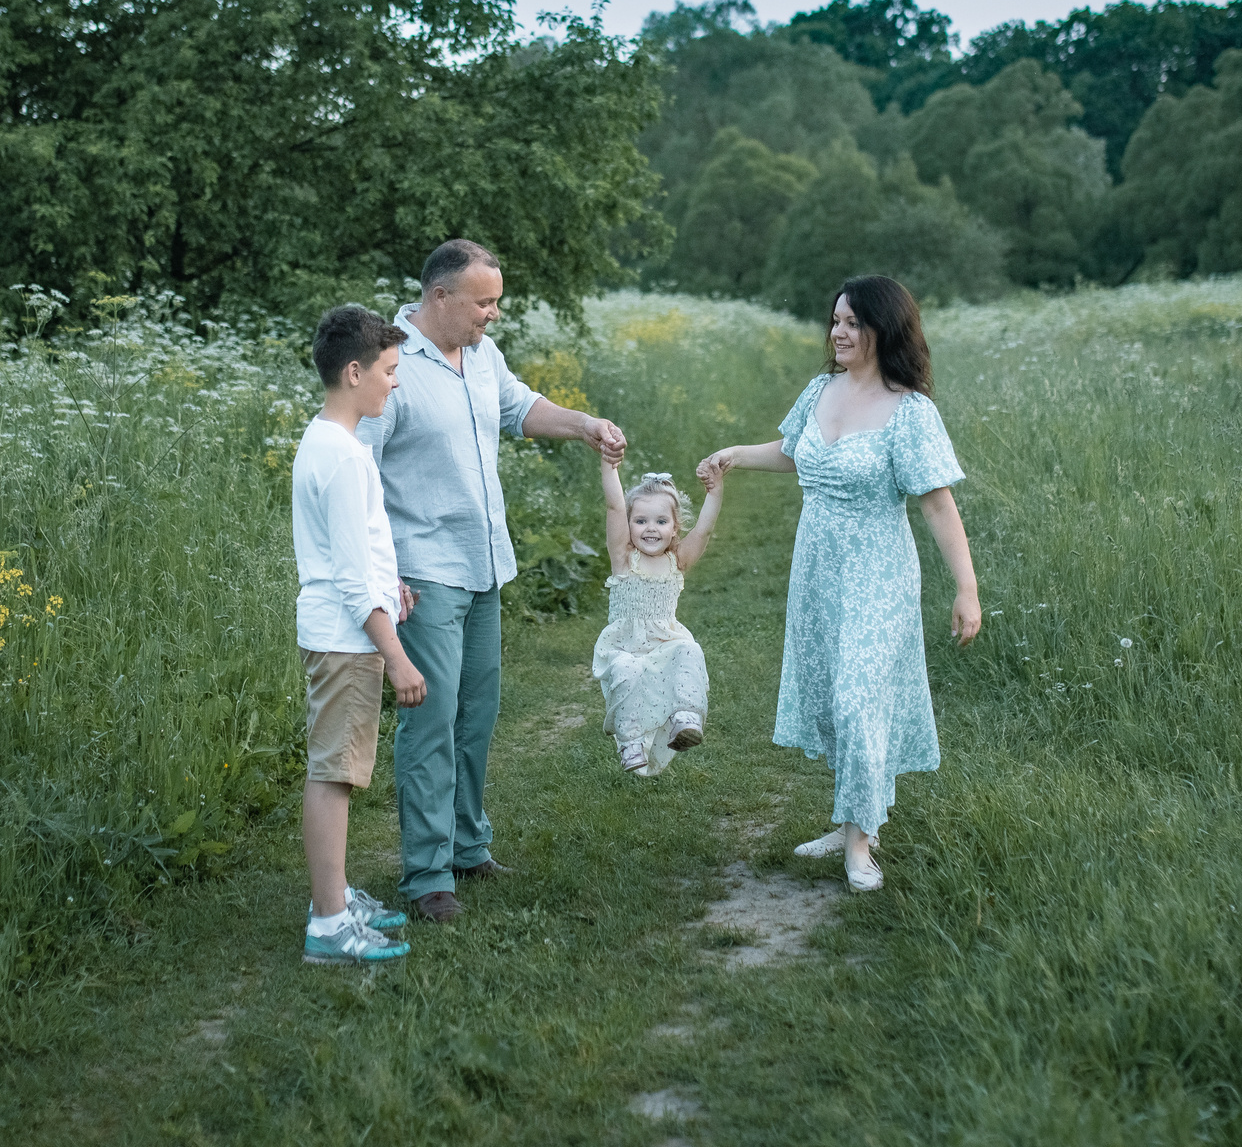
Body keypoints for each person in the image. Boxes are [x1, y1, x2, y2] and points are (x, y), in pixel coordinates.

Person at [360, 239, 628, 922]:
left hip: (485, 565)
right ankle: (426, 877)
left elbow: (519, 407)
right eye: (484, 301)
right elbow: (358, 475)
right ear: (439, 296)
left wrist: (586, 426)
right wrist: (382, 576)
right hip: (424, 573)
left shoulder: (481, 355)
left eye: (497, 300)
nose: (494, 314)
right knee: (431, 722)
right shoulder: (390, 366)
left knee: (477, 715)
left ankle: (468, 845)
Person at [698, 275, 980, 894]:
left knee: (859, 699)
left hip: (878, 573)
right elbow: (795, 452)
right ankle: (854, 818)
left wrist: (967, 588)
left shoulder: (910, 411)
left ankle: (859, 847)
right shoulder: (820, 389)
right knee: (833, 696)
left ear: (884, 329)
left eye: (853, 323)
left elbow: (937, 504)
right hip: (818, 569)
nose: (839, 333)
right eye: (835, 321)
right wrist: (736, 455)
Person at [291, 305, 425, 966]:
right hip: (347, 638)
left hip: (348, 630)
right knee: (334, 777)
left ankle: (336, 893)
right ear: (354, 372)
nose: (395, 384)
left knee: (336, 772)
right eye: (390, 371)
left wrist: (390, 585)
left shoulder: (330, 442)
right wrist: (396, 656)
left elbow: (354, 555)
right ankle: (329, 923)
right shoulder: (343, 457)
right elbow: (349, 579)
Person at [592, 464, 723, 777]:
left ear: (675, 527)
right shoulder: (623, 559)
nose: (650, 528)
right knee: (626, 670)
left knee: (690, 650)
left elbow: (703, 530)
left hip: (665, 642)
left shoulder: (677, 561)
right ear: (629, 525)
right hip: (625, 646)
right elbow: (614, 505)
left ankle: (685, 718)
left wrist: (715, 492)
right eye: (640, 521)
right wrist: (609, 466)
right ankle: (631, 741)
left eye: (661, 521)